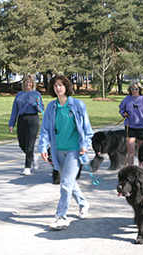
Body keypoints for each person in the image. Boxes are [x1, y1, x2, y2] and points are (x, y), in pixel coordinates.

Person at [38, 74, 93, 231]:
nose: (58, 88)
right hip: (58, 151)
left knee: (65, 184)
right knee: (69, 183)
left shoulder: (78, 105)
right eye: (55, 85)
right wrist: (43, 147)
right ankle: (83, 203)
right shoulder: (51, 107)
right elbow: (45, 130)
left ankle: (61, 217)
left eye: (61, 85)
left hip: (74, 151)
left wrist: (85, 145)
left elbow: (87, 129)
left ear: (67, 87)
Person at [9, 74, 44, 175]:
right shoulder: (19, 94)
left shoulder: (36, 93)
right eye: (26, 82)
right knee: (22, 144)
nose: (28, 84)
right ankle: (33, 157)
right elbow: (14, 110)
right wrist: (12, 123)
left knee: (29, 145)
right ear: (24, 83)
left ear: (32, 83)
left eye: (30, 82)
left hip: (33, 119)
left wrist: (37, 103)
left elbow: (41, 108)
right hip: (22, 119)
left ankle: (27, 167)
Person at [119, 80, 143, 165]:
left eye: (136, 89)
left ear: (139, 89)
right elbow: (121, 108)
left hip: (142, 127)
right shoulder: (127, 99)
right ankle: (130, 169)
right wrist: (123, 113)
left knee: (141, 151)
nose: (134, 91)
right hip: (130, 126)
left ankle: (141, 170)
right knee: (131, 150)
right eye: (132, 89)